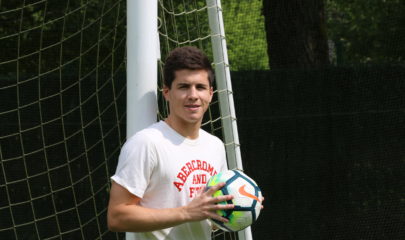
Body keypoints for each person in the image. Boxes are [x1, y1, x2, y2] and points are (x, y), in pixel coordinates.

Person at [107, 46, 234, 239]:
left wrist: (243, 204)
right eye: (183, 87)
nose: (193, 95)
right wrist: (185, 213)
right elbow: (116, 216)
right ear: (166, 92)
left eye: (200, 87)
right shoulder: (146, 144)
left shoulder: (215, 146)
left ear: (210, 93)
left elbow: (211, 218)